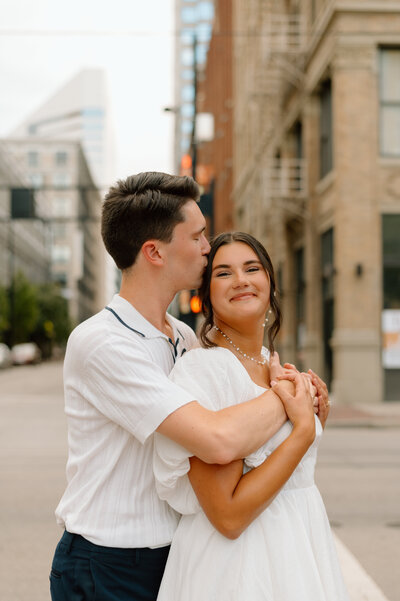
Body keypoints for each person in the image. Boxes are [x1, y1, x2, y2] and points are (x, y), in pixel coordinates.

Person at [49, 173, 325, 601]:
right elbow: (217, 440)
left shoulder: (182, 337)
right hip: (109, 560)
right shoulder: (104, 341)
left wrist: (300, 393)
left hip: (173, 552)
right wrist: (291, 398)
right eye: (197, 235)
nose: (206, 246)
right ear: (155, 251)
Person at [154, 232, 349, 601]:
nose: (241, 280)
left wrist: (314, 412)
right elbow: (227, 515)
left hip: (302, 547)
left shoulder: (271, 362)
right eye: (224, 273)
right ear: (206, 296)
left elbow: (285, 467)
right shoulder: (205, 371)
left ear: (270, 284)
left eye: (252, 268)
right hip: (239, 566)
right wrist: (303, 431)